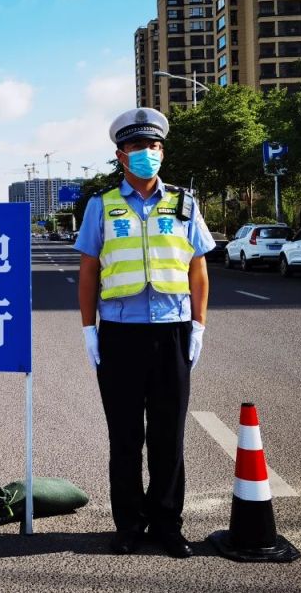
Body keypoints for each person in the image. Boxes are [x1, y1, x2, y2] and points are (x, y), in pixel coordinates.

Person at [74, 107, 214, 558]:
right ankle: (129, 525)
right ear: (120, 155)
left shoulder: (185, 204)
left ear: (162, 152)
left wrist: (198, 325)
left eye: (153, 147)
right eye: (136, 147)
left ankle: (169, 525)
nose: (146, 154)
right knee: (126, 436)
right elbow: (89, 270)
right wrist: (88, 330)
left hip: (173, 332)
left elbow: (198, 269)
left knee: (169, 436)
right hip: (119, 334)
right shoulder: (102, 205)